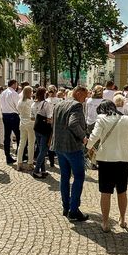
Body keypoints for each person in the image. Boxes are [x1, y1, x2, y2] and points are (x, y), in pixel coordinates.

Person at [87, 100, 128, 232]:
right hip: (123, 159)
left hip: (106, 159)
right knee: (122, 191)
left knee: (105, 192)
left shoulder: (101, 118)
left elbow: (94, 136)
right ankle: (123, 218)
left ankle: (105, 222)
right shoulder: (127, 119)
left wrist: (88, 147)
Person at [52, 85, 89, 222]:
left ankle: (65, 207)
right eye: (84, 96)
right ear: (78, 93)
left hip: (59, 146)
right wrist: (83, 137)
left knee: (64, 177)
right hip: (72, 147)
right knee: (79, 176)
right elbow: (73, 123)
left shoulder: (59, 104)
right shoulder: (76, 106)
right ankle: (73, 210)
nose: (85, 100)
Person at [31, 87, 53, 179]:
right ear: (44, 94)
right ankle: (36, 171)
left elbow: (32, 117)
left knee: (41, 149)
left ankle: (43, 170)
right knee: (43, 150)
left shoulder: (33, 104)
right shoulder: (46, 104)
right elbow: (49, 118)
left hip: (37, 128)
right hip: (44, 129)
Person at [0, 79, 21, 165]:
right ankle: (20, 154)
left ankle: (7, 155)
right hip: (13, 115)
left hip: (5, 115)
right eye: (16, 84)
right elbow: (18, 106)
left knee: (7, 136)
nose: (16, 86)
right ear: (13, 84)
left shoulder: (3, 93)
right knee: (19, 135)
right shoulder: (14, 93)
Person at [16, 86, 35, 171]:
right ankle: (30, 163)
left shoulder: (20, 101)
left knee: (22, 142)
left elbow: (19, 111)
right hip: (30, 123)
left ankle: (19, 162)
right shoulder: (31, 102)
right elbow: (34, 113)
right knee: (31, 143)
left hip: (22, 122)